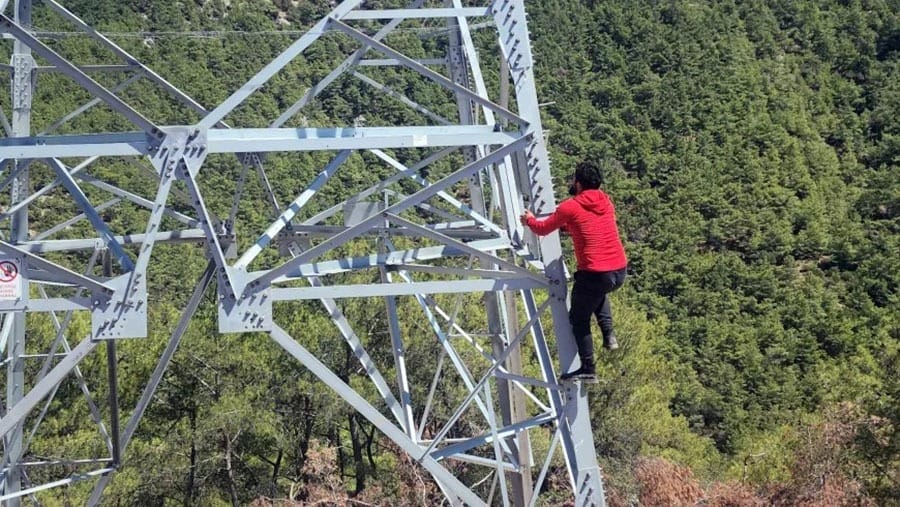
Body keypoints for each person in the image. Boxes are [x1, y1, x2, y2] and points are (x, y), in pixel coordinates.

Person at [520, 160, 628, 383]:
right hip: (619, 270)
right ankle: (609, 335)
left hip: (596, 273)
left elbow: (543, 228)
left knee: (578, 319)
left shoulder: (570, 206)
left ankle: (588, 368)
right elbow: (588, 224)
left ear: (578, 183)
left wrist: (529, 220)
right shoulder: (606, 201)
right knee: (597, 292)